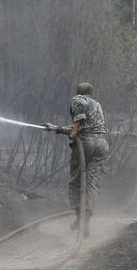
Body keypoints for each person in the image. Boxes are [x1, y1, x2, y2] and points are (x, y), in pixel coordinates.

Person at [44, 82, 109, 237]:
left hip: (85, 144)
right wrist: (56, 128)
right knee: (92, 183)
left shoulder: (78, 100)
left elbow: (76, 129)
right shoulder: (96, 105)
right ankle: (85, 221)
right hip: (101, 145)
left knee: (76, 181)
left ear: (78, 92)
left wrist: (68, 131)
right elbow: (84, 126)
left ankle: (79, 217)